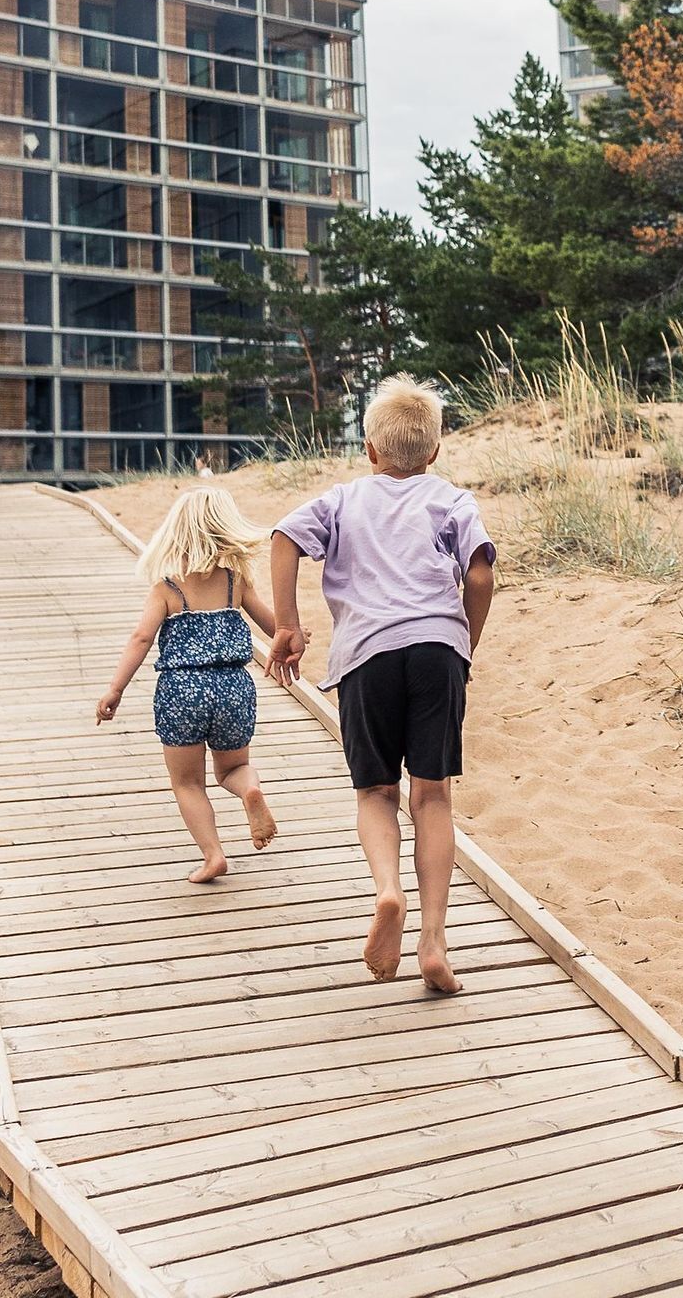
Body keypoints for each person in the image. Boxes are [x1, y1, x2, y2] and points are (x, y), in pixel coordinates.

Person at [267, 376, 494, 991]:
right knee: (433, 797)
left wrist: (287, 624)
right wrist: (464, 643)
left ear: (369, 448)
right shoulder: (451, 499)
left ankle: (388, 892)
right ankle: (434, 942)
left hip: (366, 654)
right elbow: (479, 575)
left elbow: (284, 538)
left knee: (375, 792)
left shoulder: (342, 500)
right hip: (436, 651)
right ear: (435, 450)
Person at [93, 485, 285, 884]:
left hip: (182, 692)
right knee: (233, 768)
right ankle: (250, 790)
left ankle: (213, 855)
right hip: (233, 687)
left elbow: (141, 639)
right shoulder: (236, 581)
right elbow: (273, 627)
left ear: (176, 532)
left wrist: (115, 689)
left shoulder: (167, 587)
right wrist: (294, 637)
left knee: (187, 783)